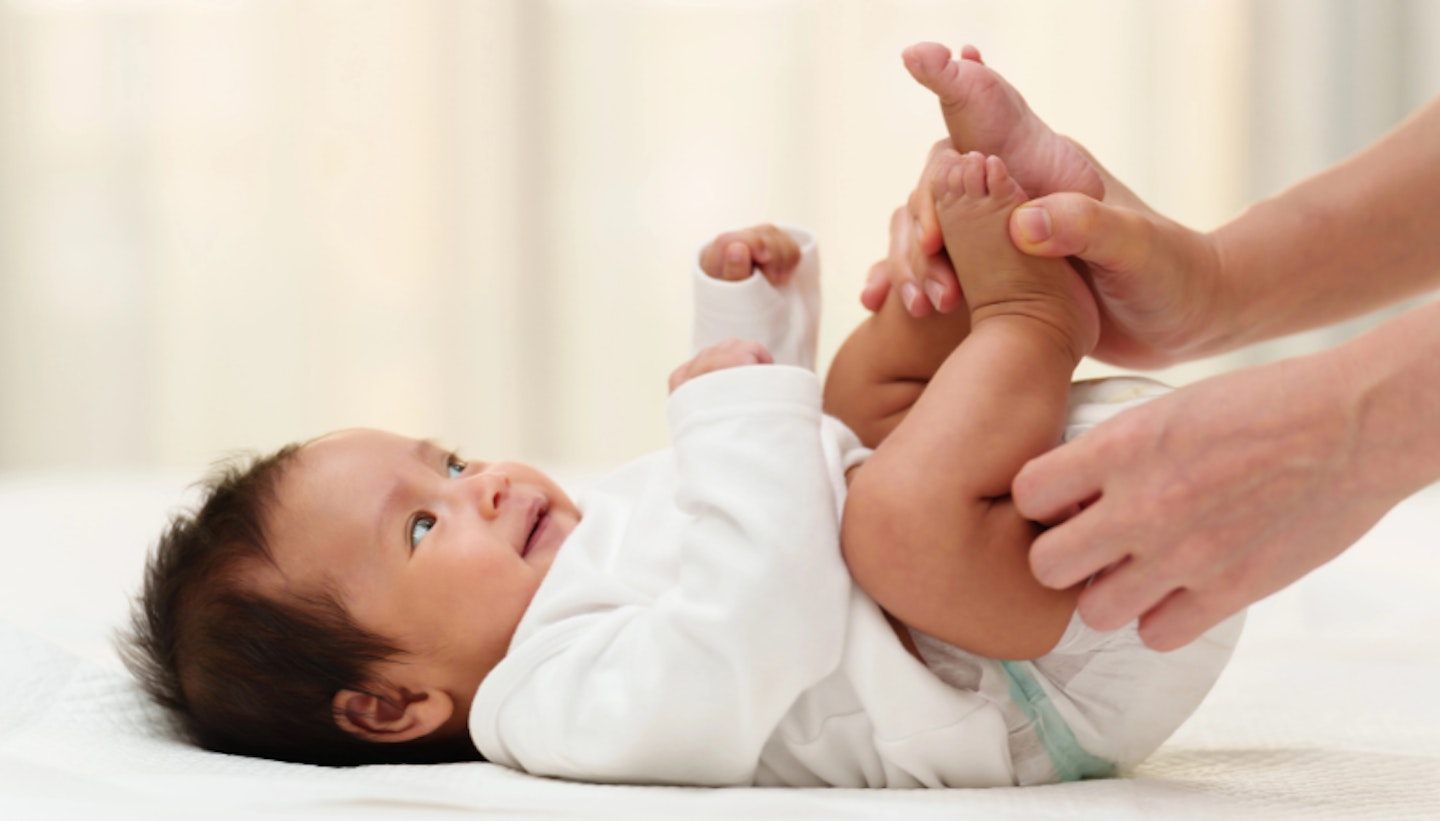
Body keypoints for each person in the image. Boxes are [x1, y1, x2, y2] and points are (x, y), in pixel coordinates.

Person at [121, 72, 1242, 788]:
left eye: (453, 463)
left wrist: (750, 322)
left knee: (850, 426)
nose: (488, 485)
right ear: (389, 704)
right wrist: (732, 403)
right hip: (1037, 672)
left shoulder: (583, 558)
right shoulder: (551, 706)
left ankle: (944, 286)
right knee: (886, 520)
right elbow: (764, 611)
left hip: (990, 581)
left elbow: (779, 484)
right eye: (422, 528)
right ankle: (1031, 314)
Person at [869, 42, 1440, 652]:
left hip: (1019, 607)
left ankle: (1024, 315)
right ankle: (1004, 307)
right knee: (866, 445)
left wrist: (1356, 426)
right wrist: (1219, 281)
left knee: (894, 515)